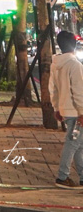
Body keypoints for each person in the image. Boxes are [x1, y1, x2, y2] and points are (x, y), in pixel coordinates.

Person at [51, 29, 83, 189]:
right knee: (72, 143)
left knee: (79, 145)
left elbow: (54, 88)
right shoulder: (75, 65)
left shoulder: (56, 64)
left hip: (65, 109)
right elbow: (79, 91)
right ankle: (62, 177)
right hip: (76, 112)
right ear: (74, 44)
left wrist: (57, 107)